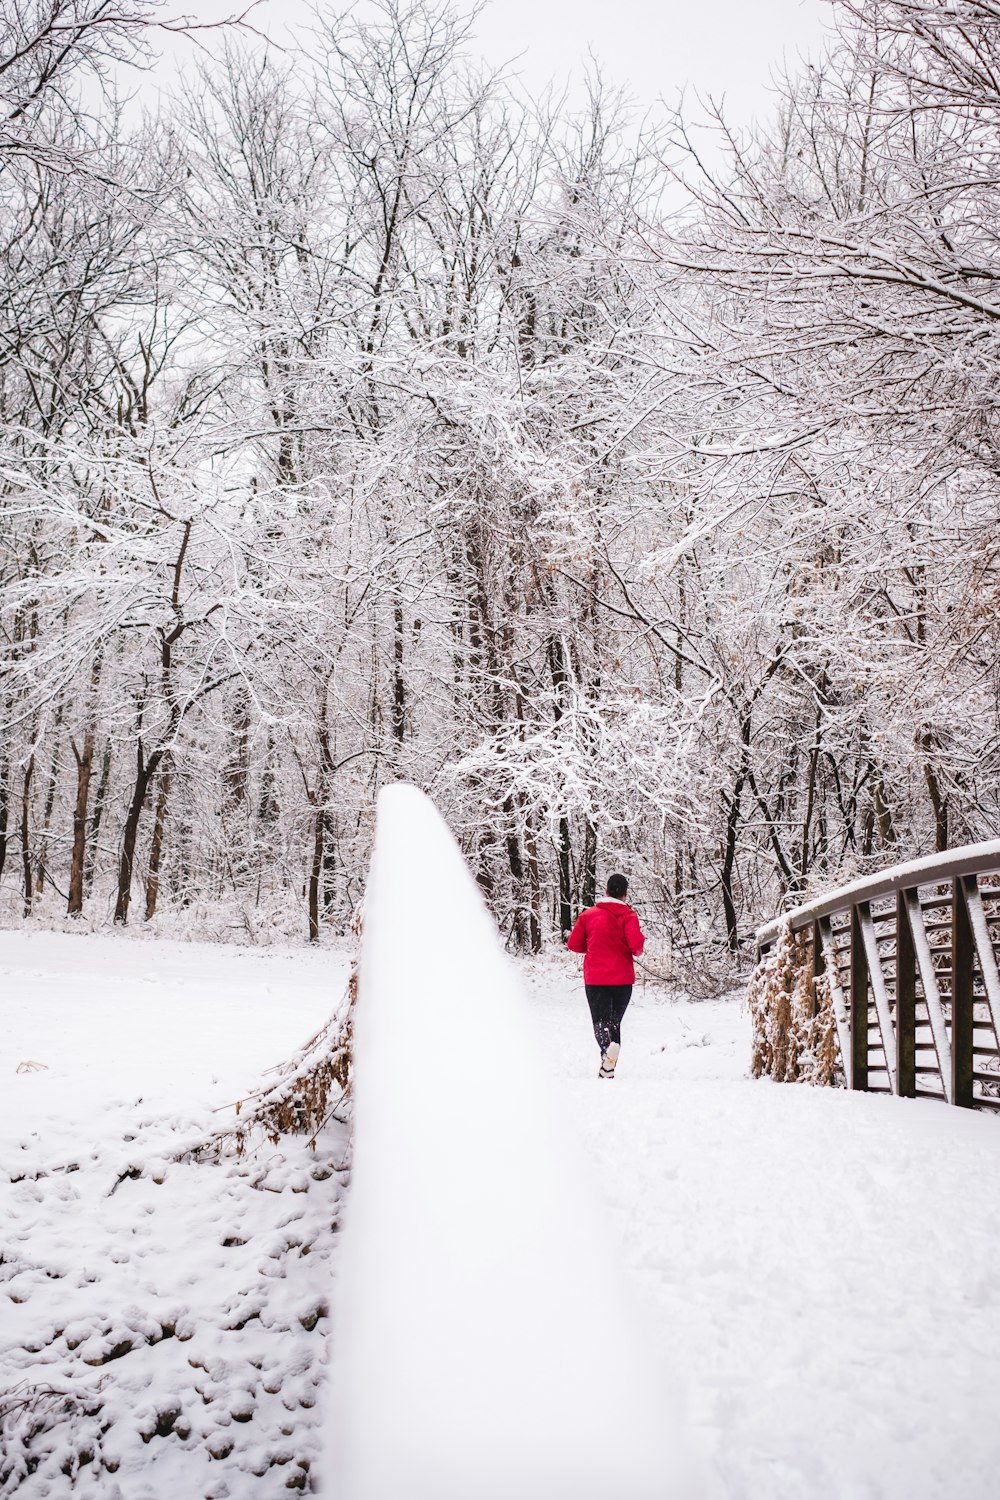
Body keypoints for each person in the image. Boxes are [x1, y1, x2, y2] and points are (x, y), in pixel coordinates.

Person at [566, 874, 645, 1079]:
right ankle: (608, 1067)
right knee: (614, 1023)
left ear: (607, 890)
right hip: (622, 979)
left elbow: (573, 944)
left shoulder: (588, 916)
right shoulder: (629, 916)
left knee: (601, 1022)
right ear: (625, 894)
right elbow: (637, 947)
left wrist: (593, 947)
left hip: (596, 978)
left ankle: (606, 1054)